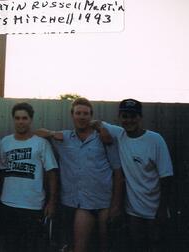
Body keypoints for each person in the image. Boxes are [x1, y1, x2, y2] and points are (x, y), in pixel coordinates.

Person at [36, 97, 124, 252]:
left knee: (106, 246)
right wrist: (51, 133)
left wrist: (116, 205)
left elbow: (117, 171)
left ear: (91, 116)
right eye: (78, 113)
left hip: (104, 202)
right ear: (72, 115)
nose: (82, 117)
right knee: (79, 247)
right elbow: (37, 132)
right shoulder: (64, 137)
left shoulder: (103, 138)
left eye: (85, 113)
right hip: (82, 205)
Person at [97, 98, 174, 251]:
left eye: (133, 116)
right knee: (136, 246)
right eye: (125, 116)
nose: (129, 120)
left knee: (156, 246)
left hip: (154, 211)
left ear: (140, 118)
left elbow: (166, 177)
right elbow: (96, 122)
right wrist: (102, 131)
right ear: (119, 117)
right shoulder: (119, 135)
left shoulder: (155, 140)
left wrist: (162, 209)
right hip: (133, 212)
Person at [0, 102, 58, 252]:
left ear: (30, 120)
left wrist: (51, 202)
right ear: (13, 119)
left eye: (24, 118)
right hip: (8, 204)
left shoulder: (41, 143)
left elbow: (52, 173)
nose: (20, 121)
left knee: (30, 247)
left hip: (33, 206)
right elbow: (1, 172)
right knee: (10, 246)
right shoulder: (5, 142)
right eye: (17, 118)